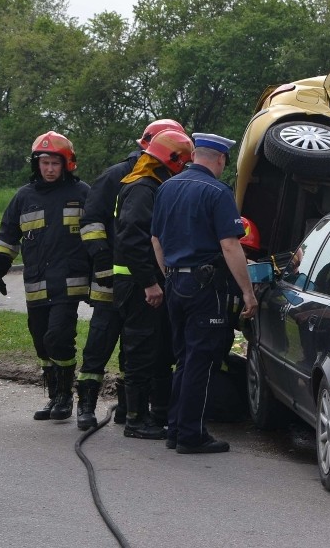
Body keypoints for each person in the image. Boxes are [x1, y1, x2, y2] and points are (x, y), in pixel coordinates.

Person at [75, 119, 185, 430]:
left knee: (138, 343)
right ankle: (86, 406)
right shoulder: (119, 176)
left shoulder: (159, 180)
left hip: (137, 274)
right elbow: (92, 223)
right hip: (112, 274)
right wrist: (102, 263)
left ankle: (128, 408)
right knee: (100, 341)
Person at [151, 132, 258, 454]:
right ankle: (191, 435)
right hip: (204, 288)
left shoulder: (167, 187)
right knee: (200, 361)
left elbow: (156, 240)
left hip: (176, 284)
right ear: (221, 159)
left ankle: (175, 428)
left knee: (184, 358)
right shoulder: (217, 191)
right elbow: (229, 244)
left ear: (195, 155)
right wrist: (248, 293)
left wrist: (169, 275)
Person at [0, 131, 91, 421]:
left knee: (58, 337)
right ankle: (55, 393)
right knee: (41, 342)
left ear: (67, 164)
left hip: (69, 284)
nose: (49, 169)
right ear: (36, 164)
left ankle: (66, 397)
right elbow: (7, 237)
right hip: (36, 283)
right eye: (44, 163)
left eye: (55, 163)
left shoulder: (82, 193)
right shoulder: (24, 197)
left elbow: (98, 236)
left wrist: (101, 275)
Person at [114, 128, 194, 439]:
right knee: (142, 349)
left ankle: (157, 413)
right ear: (171, 161)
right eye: (181, 163)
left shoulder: (149, 186)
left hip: (145, 282)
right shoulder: (143, 189)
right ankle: (135, 420)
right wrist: (149, 283)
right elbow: (134, 240)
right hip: (138, 286)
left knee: (158, 349)